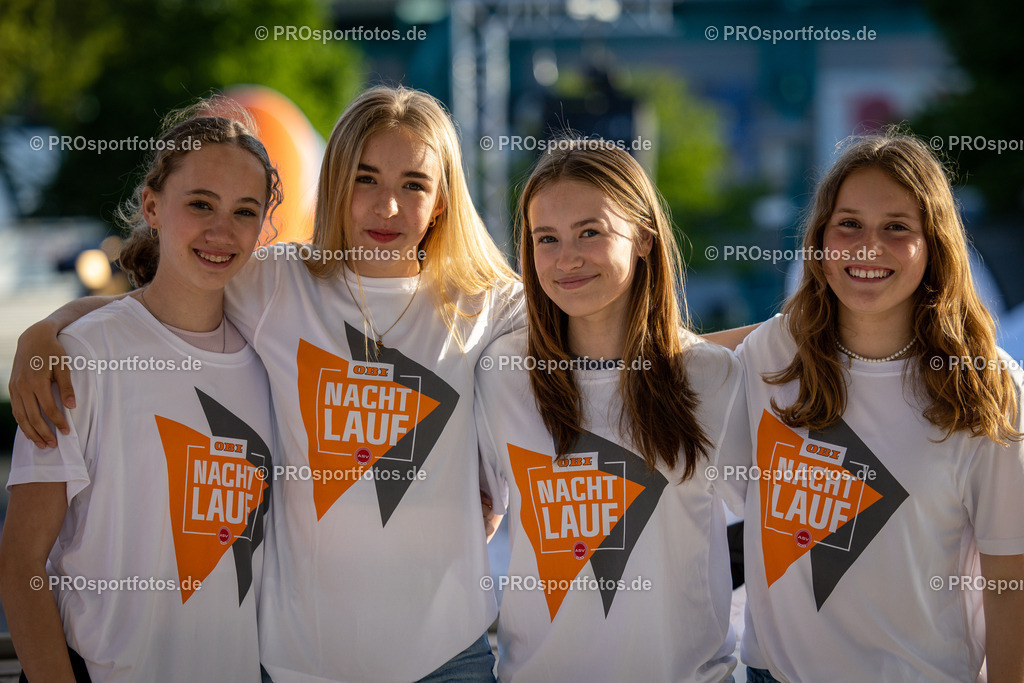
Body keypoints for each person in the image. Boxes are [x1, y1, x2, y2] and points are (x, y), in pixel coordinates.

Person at [9, 85, 523, 682]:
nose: (386, 207)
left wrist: (495, 483)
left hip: (449, 657)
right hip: (298, 664)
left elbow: (590, 333)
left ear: (440, 201)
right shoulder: (279, 282)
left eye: (413, 183)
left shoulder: (491, 304)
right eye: (365, 178)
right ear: (333, 184)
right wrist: (44, 331)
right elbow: (161, 294)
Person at [0, 102, 281, 681]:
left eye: (245, 212)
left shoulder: (272, 356)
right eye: (200, 203)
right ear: (152, 205)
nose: (221, 231)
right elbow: (21, 563)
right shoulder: (79, 356)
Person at [734, 133, 1024, 682]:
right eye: (849, 225)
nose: (868, 247)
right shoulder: (772, 354)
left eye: (897, 227)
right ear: (819, 241)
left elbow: (1009, 580)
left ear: (933, 244)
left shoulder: (989, 388)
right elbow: (661, 360)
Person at [475, 140, 749, 681]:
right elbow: (473, 512)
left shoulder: (713, 378)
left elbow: (779, 524)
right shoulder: (501, 371)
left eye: (590, 232)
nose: (566, 257)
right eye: (545, 239)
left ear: (644, 236)